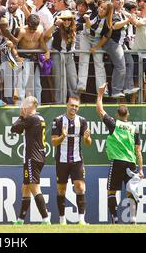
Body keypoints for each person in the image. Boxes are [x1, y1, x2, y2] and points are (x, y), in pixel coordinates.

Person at [96, 82, 144, 224]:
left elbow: (100, 110)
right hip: (131, 163)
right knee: (131, 191)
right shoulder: (134, 129)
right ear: (127, 114)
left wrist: (100, 95)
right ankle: (133, 219)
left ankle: (115, 220)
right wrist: (140, 169)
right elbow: (138, 151)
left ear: (117, 114)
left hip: (117, 162)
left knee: (111, 191)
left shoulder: (114, 124)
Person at [51, 96, 91, 225]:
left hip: (77, 160)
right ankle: (62, 219)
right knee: (62, 189)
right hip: (62, 160)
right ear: (67, 105)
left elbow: (88, 143)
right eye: (72, 105)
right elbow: (53, 142)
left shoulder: (83, 121)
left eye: (76, 106)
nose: (74, 108)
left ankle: (81, 219)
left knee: (80, 187)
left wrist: (87, 138)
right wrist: (63, 136)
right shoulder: (57, 120)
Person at [11, 96, 51, 225]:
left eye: (25, 104)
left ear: (33, 105)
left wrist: (21, 116)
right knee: (25, 188)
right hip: (37, 156)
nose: (23, 107)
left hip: (32, 158)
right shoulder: (39, 118)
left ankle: (46, 219)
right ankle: (20, 220)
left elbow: (15, 129)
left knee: (34, 187)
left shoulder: (32, 118)